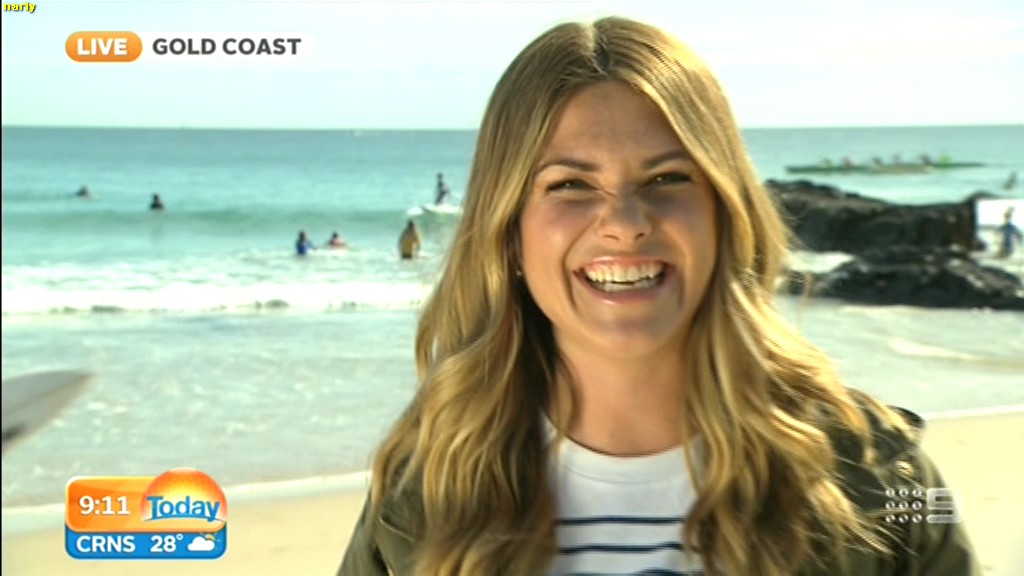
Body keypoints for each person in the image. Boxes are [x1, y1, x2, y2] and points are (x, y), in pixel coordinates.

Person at [338, 17, 978, 576]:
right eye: (570, 185)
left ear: (725, 212)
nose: (625, 222)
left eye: (668, 177)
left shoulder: (882, 472)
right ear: (508, 232)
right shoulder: (423, 490)